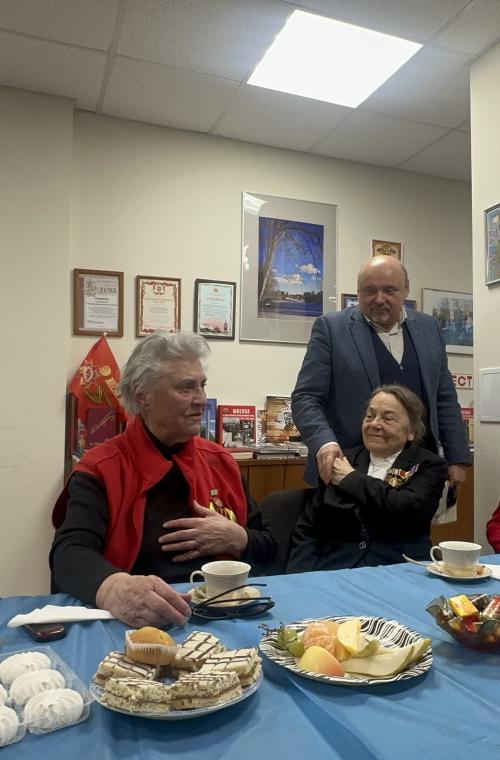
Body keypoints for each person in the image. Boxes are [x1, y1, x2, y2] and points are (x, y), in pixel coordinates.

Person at [50, 331, 277, 628]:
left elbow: (270, 548)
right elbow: (68, 555)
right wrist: (115, 588)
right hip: (135, 622)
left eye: (202, 386)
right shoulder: (101, 467)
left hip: (222, 617)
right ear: (142, 396)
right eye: (186, 388)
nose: (201, 400)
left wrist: (239, 538)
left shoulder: (221, 463)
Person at [291, 255, 471, 489]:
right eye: (369, 291)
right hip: (348, 472)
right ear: (358, 292)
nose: (379, 299)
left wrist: (457, 457)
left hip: (419, 474)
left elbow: (444, 398)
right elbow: (306, 398)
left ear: (406, 289)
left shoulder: (429, 328)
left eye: (389, 290)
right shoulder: (331, 329)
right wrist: (324, 443)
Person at [287, 385, 448, 573]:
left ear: (411, 431)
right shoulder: (342, 460)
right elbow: (310, 528)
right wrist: (298, 579)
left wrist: (350, 479)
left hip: (400, 569)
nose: (375, 424)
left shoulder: (429, 465)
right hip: (337, 570)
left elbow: (405, 508)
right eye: (369, 416)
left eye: (388, 418)